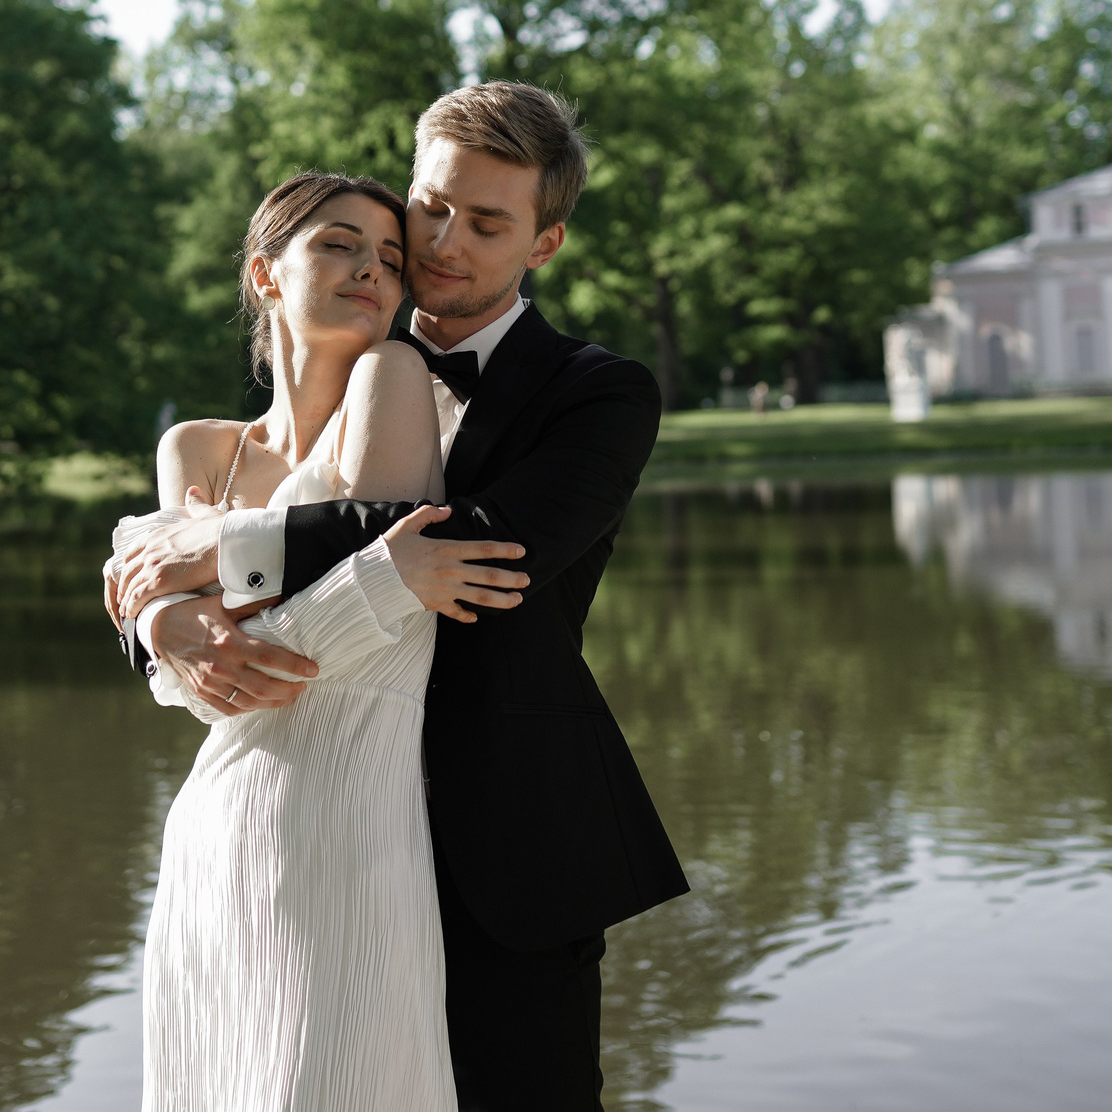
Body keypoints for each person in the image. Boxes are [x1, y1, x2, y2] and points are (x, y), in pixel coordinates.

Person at [110, 83, 689, 1111]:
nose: (442, 242)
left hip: (504, 844)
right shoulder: (349, 358)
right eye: (431, 207)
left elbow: (479, 551)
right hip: (310, 818)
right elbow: (173, 570)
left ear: (542, 245)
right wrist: (162, 613)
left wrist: (217, 546)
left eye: (487, 222)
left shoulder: (598, 392)